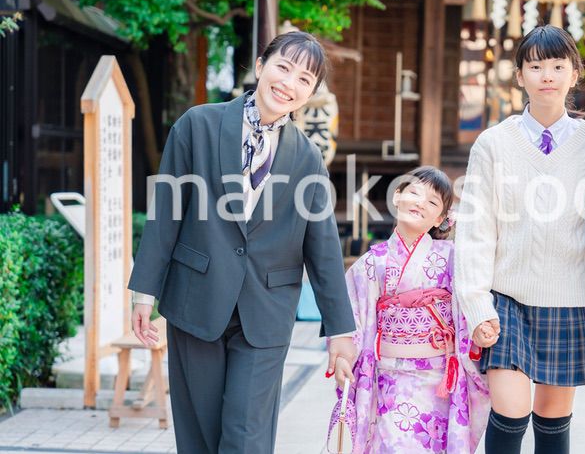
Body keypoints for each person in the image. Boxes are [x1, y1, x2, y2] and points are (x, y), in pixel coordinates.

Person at [128, 31, 357, 454]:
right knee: (200, 434)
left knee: (245, 435)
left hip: (266, 312)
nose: (289, 83)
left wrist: (340, 329)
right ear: (260, 66)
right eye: (283, 67)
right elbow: (166, 216)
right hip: (196, 298)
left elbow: (323, 249)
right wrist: (145, 292)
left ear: (310, 93)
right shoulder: (197, 125)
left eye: (305, 79)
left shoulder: (307, 158)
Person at [455, 25, 585, 454]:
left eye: (558, 66)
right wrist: (476, 303)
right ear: (519, 75)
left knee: (553, 423)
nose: (547, 75)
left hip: (569, 298)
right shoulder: (493, 143)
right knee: (510, 412)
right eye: (535, 65)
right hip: (507, 299)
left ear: (574, 73)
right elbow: (475, 229)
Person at [330, 166, 490, 454]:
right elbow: (351, 316)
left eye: (432, 202)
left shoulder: (453, 258)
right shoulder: (371, 263)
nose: (420, 202)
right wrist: (343, 355)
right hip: (389, 380)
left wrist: (481, 325)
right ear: (398, 197)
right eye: (414, 192)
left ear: (440, 219)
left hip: (439, 381)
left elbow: (471, 302)